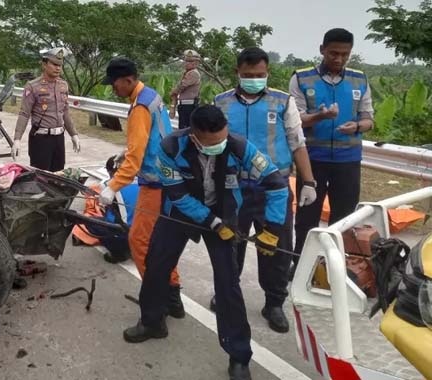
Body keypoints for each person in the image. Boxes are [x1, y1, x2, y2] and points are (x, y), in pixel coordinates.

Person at [124, 105, 288, 380]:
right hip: (179, 213)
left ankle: (239, 355)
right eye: (211, 144)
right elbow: (176, 194)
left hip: (225, 214)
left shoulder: (239, 146)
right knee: (156, 267)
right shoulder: (169, 147)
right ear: (193, 136)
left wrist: (271, 229)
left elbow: (276, 184)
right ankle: (152, 322)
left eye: (222, 140)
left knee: (228, 285)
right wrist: (211, 222)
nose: (218, 146)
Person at [212, 47, 318, 333]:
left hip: (274, 189)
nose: (254, 79)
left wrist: (308, 182)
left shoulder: (282, 101)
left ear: (267, 72)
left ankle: (274, 302)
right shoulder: (220, 103)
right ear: (237, 73)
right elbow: (210, 146)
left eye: (260, 75)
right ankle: (226, 292)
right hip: (233, 187)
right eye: (248, 75)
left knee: (277, 247)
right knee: (228, 243)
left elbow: (297, 143)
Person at [98, 57, 184, 318]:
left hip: (155, 183)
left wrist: (112, 187)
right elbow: (153, 138)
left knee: (139, 241)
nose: (113, 89)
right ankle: (173, 297)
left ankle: (156, 296)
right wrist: (129, 151)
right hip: (168, 179)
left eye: (115, 84)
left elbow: (135, 160)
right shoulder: (151, 96)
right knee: (162, 243)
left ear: (128, 80)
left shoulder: (139, 108)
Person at [290, 28, 374, 269]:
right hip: (312, 160)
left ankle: (333, 268)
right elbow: (296, 120)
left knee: (344, 219)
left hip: (348, 161)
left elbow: (369, 119)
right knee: (307, 217)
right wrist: (321, 116)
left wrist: (357, 125)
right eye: (333, 53)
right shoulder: (302, 78)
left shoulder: (360, 79)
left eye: (344, 55)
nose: (338, 59)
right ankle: (300, 265)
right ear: (322, 50)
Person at [12, 47, 81, 172]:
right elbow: (24, 114)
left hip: (59, 138)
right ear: (44, 64)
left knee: (58, 176)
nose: (58, 68)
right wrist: (17, 140)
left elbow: (65, 112)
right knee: (41, 178)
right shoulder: (33, 86)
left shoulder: (63, 85)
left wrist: (74, 134)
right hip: (41, 139)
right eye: (54, 64)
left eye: (60, 65)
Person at [72, 154, 139, 263]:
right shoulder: (144, 181)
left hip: (128, 234)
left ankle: (119, 253)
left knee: (92, 222)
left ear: (110, 172)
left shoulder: (109, 187)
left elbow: (110, 220)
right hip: (148, 232)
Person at [169, 50, 202, 129]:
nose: (187, 63)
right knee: (183, 127)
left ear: (196, 63)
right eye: (186, 61)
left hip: (189, 106)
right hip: (184, 105)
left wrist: (173, 92)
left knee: (185, 129)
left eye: (190, 61)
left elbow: (181, 86)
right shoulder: (187, 72)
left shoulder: (193, 73)